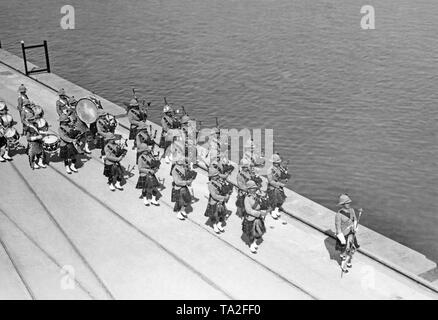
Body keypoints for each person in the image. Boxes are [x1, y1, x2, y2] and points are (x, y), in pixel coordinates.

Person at [335, 194, 361, 272]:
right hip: (344, 235)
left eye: (349, 202)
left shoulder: (352, 210)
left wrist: (355, 226)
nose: (348, 204)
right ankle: (343, 266)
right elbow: (338, 228)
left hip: (351, 233)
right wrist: (341, 238)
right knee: (344, 251)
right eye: (346, 203)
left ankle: (349, 262)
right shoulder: (338, 215)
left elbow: (355, 220)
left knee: (352, 249)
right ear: (342, 204)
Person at [242, 180, 268, 253]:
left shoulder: (257, 196)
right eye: (253, 188)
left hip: (258, 217)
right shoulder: (247, 198)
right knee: (251, 233)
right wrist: (259, 213)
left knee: (258, 232)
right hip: (251, 218)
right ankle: (251, 245)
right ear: (249, 189)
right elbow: (249, 210)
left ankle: (254, 242)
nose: (255, 189)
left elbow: (260, 204)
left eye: (255, 188)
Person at [204, 168, 229, 234]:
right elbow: (214, 195)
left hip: (221, 201)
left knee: (223, 214)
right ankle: (215, 226)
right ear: (212, 177)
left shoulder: (219, 180)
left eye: (217, 175)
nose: (217, 176)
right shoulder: (210, 184)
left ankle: (219, 225)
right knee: (214, 215)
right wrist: (224, 197)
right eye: (216, 175)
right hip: (214, 201)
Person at [171, 155, 193, 220]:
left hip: (184, 186)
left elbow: (185, 175)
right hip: (178, 188)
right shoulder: (175, 170)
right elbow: (177, 182)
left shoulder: (183, 167)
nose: (182, 161)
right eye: (181, 160)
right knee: (180, 202)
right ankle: (178, 213)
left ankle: (182, 210)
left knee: (187, 200)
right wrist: (186, 182)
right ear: (177, 161)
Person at [267, 153, 287, 223]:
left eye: (278, 162)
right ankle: (272, 211)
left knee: (281, 199)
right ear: (273, 162)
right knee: (273, 200)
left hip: (279, 186)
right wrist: (279, 184)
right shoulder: (269, 170)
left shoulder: (279, 168)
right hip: (272, 187)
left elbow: (281, 175)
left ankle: (276, 209)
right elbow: (271, 181)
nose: (278, 164)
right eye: (276, 163)